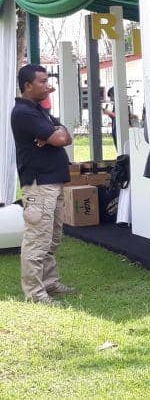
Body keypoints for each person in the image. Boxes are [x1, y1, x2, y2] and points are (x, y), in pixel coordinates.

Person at [12, 64, 75, 305]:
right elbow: (59, 138)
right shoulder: (23, 113)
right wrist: (56, 135)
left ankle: (49, 282)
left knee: (52, 237)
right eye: (42, 81)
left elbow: (64, 135)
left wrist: (57, 133)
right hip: (39, 185)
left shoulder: (39, 110)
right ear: (27, 85)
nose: (48, 85)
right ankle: (35, 294)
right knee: (37, 240)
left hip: (53, 182)